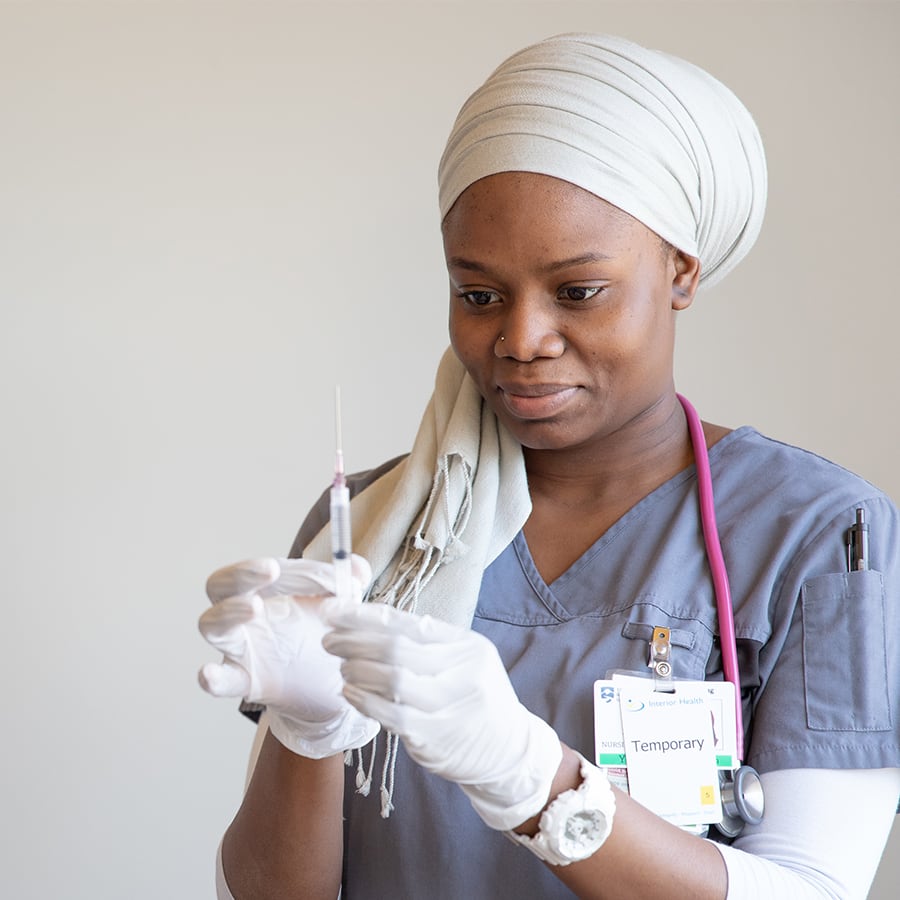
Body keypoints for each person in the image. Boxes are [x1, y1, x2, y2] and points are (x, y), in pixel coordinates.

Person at [197, 32, 900, 900]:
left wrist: (534, 780)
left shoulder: (818, 534)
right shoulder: (376, 526)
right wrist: (307, 730)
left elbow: (816, 890)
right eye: (479, 294)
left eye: (577, 292)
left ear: (681, 272)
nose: (521, 339)